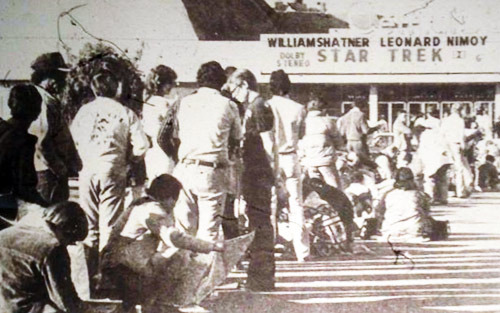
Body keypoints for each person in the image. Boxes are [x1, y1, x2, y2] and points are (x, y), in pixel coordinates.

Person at [70, 70, 150, 293]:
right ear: (115, 88)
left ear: (95, 89)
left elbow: (72, 140)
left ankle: (86, 279)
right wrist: (128, 160)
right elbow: (142, 146)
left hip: (86, 169)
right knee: (109, 225)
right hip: (113, 169)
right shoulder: (125, 112)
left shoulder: (84, 111)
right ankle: (104, 279)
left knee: (88, 225)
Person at [100, 174, 223, 312]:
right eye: (174, 201)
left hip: (116, 264)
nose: (174, 205)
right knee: (179, 256)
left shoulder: (141, 204)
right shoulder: (152, 209)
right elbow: (174, 238)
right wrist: (210, 246)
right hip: (124, 268)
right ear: (169, 197)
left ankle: (143, 304)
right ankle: (159, 304)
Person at [172, 61, 242, 242]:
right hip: (212, 171)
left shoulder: (182, 103)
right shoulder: (229, 105)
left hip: (184, 169)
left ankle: (182, 269)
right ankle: (202, 269)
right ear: (221, 81)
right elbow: (236, 138)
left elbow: (167, 136)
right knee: (208, 233)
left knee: (183, 230)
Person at [225, 68, 275, 290]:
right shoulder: (253, 107)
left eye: (234, 89)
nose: (233, 94)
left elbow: (270, 143)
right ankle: (257, 276)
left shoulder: (258, 106)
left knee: (260, 222)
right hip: (253, 171)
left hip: (259, 172)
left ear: (244, 85)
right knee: (255, 220)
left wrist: (275, 173)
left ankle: (262, 278)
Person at [0, 201, 89, 313]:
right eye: (72, 242)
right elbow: (64, 300)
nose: (67, 245)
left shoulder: (8, 232)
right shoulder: (53, 248)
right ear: (68, 231)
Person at [267, 69, 310, 262]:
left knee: (271, 204)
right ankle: (302, 252)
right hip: (291, 157)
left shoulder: (267, 105)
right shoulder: (299, 108)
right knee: (296, 204)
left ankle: (271, 247)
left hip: (272, 157)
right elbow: (301, 135)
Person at [28, 52, 80, 205]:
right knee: (50, 219)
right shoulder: (41, 101)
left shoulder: (49, 100)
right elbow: (42, 142)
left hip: (51, 172)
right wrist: (60, 169)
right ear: (46, 77)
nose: (64, 81)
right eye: (59, 76)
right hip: (46, 173)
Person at [0, 84, 48, 225]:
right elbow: (25, 188)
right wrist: (48, 207)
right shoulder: (23, 141)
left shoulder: (2, 128)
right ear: (37, 112)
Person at [142, 65, 178, 182]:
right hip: (164, 150)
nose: (172, 86)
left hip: (151, 152)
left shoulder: (148, 102)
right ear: (162, 84)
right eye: (170, 83)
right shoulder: (164, 103)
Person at [376, 167, 432, 243]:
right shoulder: (419, 194)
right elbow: (427, 211)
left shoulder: (388, 194)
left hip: (390, 230)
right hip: (413, 230)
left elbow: (379, 211)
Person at [411, 109, 451, 205]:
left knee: (429, 178)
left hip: (431, 157)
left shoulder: (426, 133)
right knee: (442, 178)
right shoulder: (441, 127)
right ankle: (443, 198)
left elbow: (418, 144)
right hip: (444, 156)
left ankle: (430, 198)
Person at [440, 104, 473, 198]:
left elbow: (442, 134)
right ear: (459, 110)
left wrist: (444, 147)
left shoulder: (446, 120)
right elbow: (461, 135)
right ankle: (461, 191)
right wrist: (464, 147)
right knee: (460, 169)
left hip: (448, 145)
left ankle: (451, 189)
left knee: (450, 169)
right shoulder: (459, 120)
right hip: (457, 145)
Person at [337, 100, 378, 170]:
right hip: (358, 142)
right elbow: (366, 131)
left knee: (352, 163)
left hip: (349, 143)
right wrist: (376, 128)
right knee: (364, 163)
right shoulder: (361, 115)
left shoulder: (345, 116)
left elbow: (341, 132)